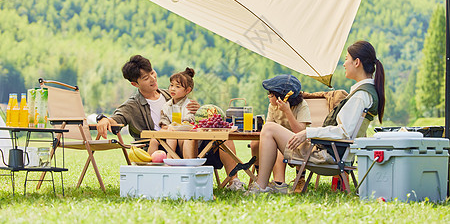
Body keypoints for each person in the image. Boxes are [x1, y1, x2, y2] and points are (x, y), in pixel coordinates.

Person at [246, 40, 385, 194]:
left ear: (357, 62)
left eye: (346, 59)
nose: (344, 64)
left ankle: (261, 186)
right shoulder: (365, 93)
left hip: (327, 156)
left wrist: (308, 133)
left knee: (269, 128)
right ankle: (271, 184)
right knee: (270, 128)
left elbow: (343, 132)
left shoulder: (361, 96)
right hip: (334, 153)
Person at [96, 55, 245, 190]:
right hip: (162, 147)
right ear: (135, 84)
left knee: (223, 137)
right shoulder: (132, 105)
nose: (153, 79)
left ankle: (234, 182)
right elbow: (117, 117)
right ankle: (191, 183)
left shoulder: (170, 93)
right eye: (146, 78)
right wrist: (102, 119)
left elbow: (189, 114)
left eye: (153, 73)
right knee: (186, 138)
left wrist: (197, 110)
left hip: (186, 138)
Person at [250, 74, 311, 193]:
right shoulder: (272, 106)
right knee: (254, 143)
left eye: (271, 95)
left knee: (279, 148)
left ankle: (287, 181)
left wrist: (287, 111)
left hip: (298, 143)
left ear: (283, 98)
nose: (268, 97)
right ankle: (268, 179)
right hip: (277, 142)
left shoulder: (302, 105)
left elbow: (300, 132)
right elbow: (267, 129)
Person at [148, 67, 196, 155]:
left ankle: (170, 157)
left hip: (184, 132)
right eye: (171, 85)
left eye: (178, 86)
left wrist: (176, 126)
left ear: (187, 90)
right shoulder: (167, 105)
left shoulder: (189, 105)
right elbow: (164, 118)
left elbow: (189, 119)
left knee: (171, 130)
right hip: (170, 130)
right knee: (154, 139)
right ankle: (150, 162)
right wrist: (165, 125)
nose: (173, 89)